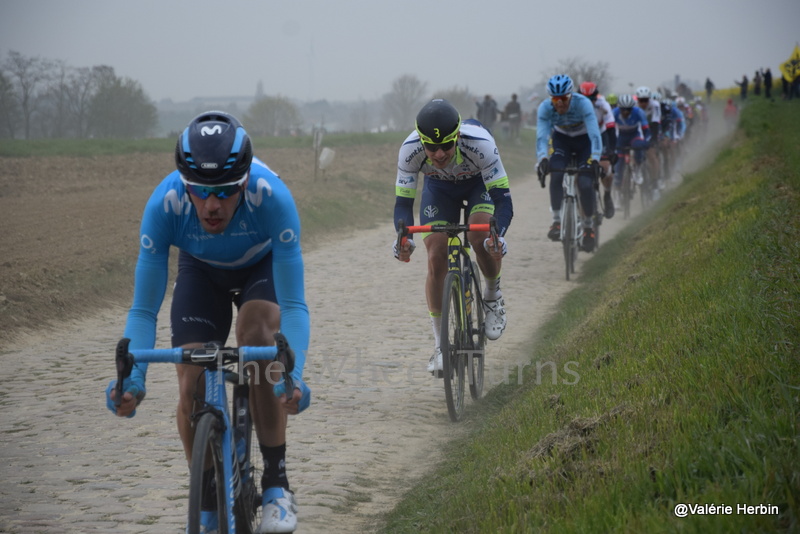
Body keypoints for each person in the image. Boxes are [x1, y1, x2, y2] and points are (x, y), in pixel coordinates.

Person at [106, 111, 310, 534]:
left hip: (262, 265)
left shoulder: (272, 198)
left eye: (224, 192)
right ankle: (207, 497)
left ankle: (276, 483)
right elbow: (144, 310)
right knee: (191, 381)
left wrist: (294, 376)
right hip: (201, 271)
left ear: (244, 182)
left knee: (257, 336)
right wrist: (134, 379)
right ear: (184, 184)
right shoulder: (164, 206)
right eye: (199, 191)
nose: (211, 205)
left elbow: (294, 305)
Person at [393, 99, 512, 375]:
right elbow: (402, 204)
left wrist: (499, 236)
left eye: (446, 145)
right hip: (439, 189)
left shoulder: (480, 143)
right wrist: (403, 239)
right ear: (421, 141)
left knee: (479, 237)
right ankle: (439, 346)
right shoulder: (409, 151)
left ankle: (493, 296)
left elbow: (503, 201)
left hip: (477, 185)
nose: (439, 153)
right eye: (431, 147)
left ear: (457, 135)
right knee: (436, 255)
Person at [535, 74, 603, 252]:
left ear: (571, 95)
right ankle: (556, 222)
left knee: (585, 183)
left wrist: (595, 158)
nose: (560, 103)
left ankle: (588, 227)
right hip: (562, 140)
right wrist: (542, 158)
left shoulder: (583, 103)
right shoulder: (544, 108)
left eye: (564, 98)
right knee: (556, 174)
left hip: (584, 142)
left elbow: (595, 134)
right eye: (555, 99)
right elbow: (542, 137)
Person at [579, 81, 616, 218]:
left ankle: (607, 194)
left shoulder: (603, 104)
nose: (588, 102)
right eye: (585, 98)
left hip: (601, 134)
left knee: (606, 166)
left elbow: (611, 128)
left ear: (596, 96)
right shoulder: (575, 104)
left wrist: (612, 150)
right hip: (583, 136)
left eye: (591, 99)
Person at [612, 94, 651, 194]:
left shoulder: (639, 112)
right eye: (623, 109)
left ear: (632, 108)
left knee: (638, 146)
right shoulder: (614, 113)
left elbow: (646, 130)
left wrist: (647, 141)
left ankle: (638, 169)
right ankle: (617, 191)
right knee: (618, 163)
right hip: (621, 137)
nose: (625, 112)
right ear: (619, 108)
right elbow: (609, 130)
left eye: (628, 109)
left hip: (634, 135)